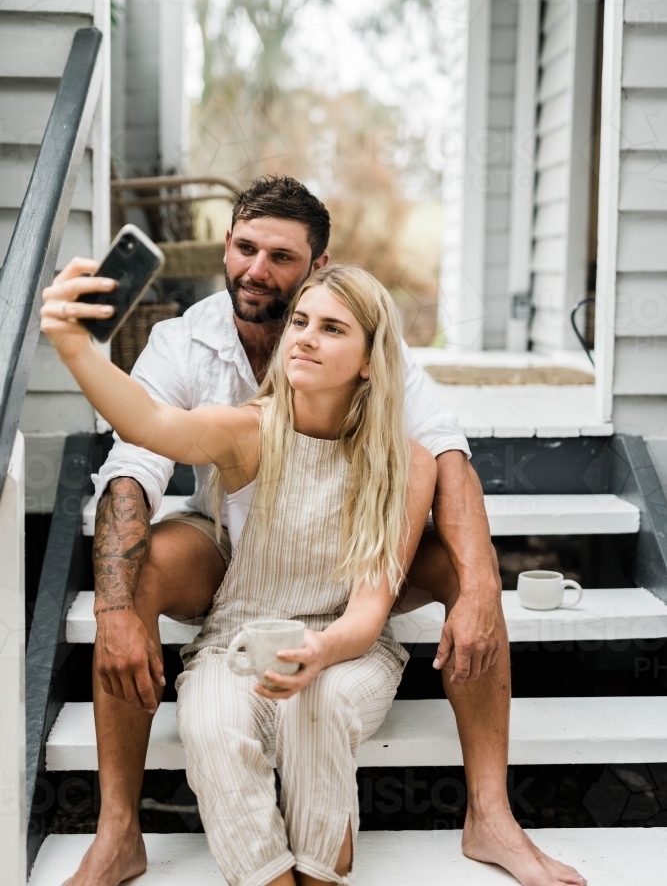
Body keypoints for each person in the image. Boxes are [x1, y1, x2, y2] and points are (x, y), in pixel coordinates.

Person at [41, 176, 586, 886]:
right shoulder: (210, 373)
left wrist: (481, 590)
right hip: (236, 553)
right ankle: (118, 830)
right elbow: (143, 442)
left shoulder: (375, 375)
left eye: (281, 259)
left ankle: (488, 814)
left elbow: (446, 462)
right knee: (141, 592)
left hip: (352, 565)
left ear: (317, 273)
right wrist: (77, 349)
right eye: (243, 248)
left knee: (462, 575)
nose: (256, 270)